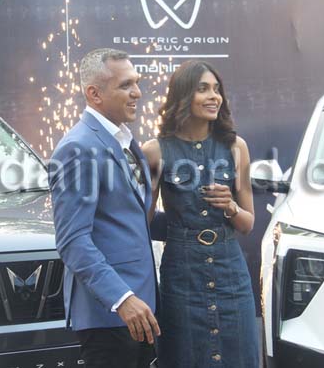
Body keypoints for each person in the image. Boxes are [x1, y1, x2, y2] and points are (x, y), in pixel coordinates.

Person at [142, 60, 259, 368]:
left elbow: (248, 224)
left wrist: (231, 207)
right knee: (184, 357)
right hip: (181, 274)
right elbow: (142, 221)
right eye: (203, 89)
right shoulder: (155, 151)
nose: (213, 97)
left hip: (231, 274)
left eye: (217, 90)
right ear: (183, 96)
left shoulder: (236, 147)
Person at [48, 48, 160, 368]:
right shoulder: (78, 148)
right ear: (94, 94)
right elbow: (73, 241)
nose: (137, 92)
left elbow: (129, 218)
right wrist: (121, 299)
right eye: (125, 85)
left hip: (140, 311)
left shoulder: (125, 140)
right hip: (110, 316)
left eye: (136, 82)